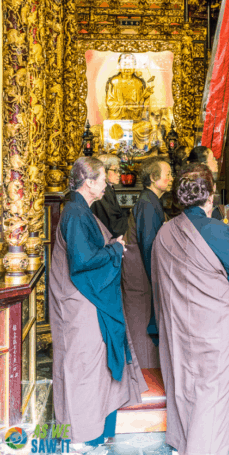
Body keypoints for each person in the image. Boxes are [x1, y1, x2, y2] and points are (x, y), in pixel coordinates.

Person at [152, 163, 229, 455]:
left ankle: (183, 441)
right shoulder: (215, 231)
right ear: (210, 197)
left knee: (183, 383)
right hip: (214, 325)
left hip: (178, 324)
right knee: (212, 388)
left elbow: (159, 281)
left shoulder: (165, 232)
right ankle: (206, 447)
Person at [49, 157, 147, 447]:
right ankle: (84, 436)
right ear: (89, 182)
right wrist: (115, 249)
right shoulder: (77, 214)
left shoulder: (81, 211)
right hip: (81, 304)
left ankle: (94, 431)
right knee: (85, 368)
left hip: (87, 301)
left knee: (94, 367)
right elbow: (83, 262)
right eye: (103, 178)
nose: (107, 183)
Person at [122, 156, 172, 369]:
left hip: (140, 272)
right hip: (140, 274)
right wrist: (159, 278)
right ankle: (144, 375)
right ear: (153, 177)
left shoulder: (151, 200)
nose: (172, 178)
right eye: (167, 174)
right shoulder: (148, 204)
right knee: (141, 321)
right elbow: (149, 245)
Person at [187, 146, 229, 227]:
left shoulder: (210, 182)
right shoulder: (196, 186)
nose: (216, 162)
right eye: (213, 159)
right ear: (203, 165)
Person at [90, 154, 129, 238]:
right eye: (115, 170)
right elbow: (112, 227)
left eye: (119, 171)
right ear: (103, 171)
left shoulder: (108, 188)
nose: (119, 174)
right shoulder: (102, 192)